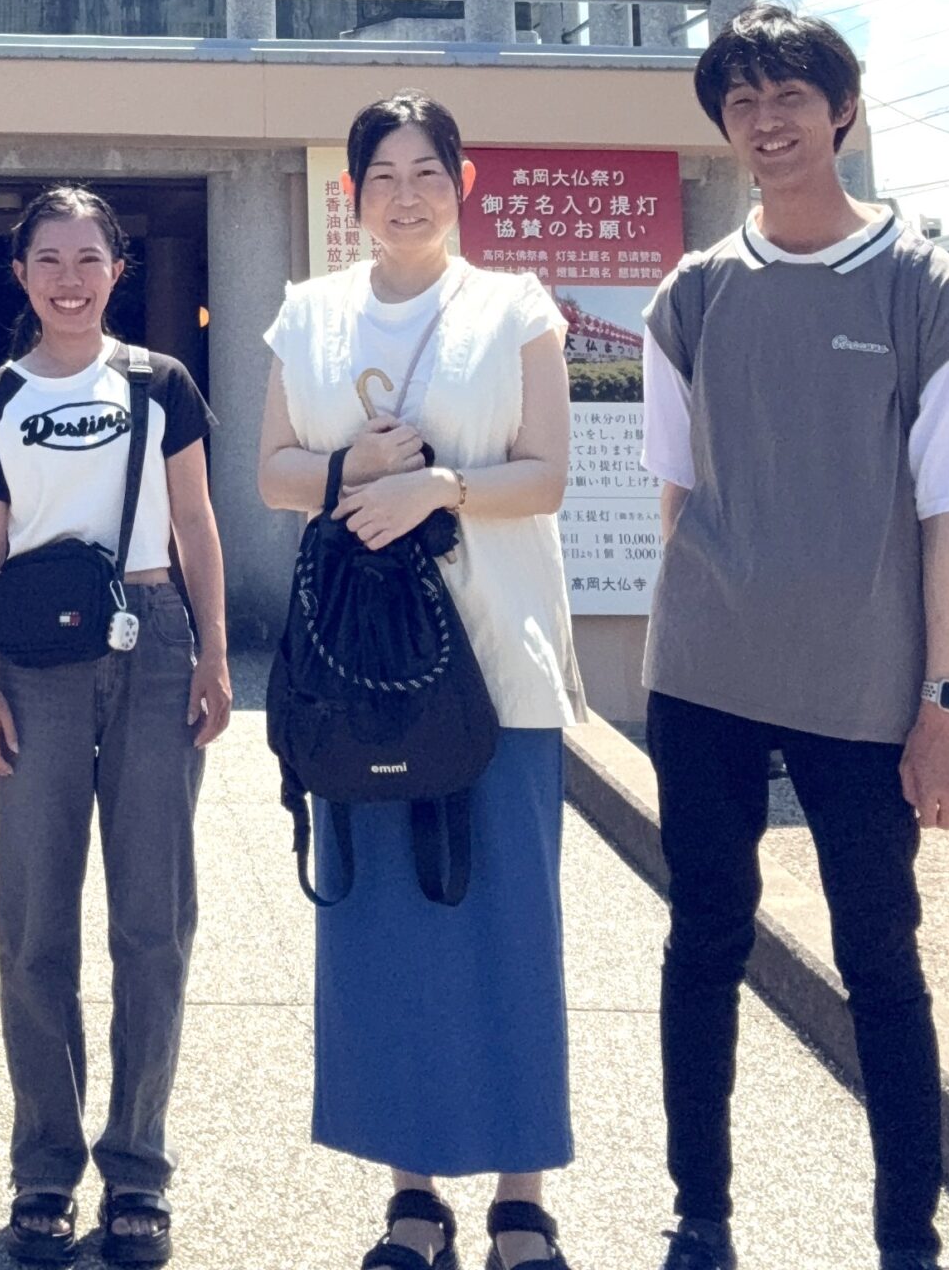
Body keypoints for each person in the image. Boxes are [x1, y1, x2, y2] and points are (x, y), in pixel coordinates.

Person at [644, 8, 949, 1270]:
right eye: (742, 101)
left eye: (791, 94)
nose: (767, 120)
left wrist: (944, 704)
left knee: (880, 957)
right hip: (705, 677)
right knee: (704, 937)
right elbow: (681, 498)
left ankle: (907, 1234)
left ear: (844, 108)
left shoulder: (931, 293)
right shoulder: (691, 293)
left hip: (862, 687)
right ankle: (701, 1214)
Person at [258, 91, 581, 1270]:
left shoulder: (516, 308)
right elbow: (273, 471)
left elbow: (545, 475)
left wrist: (440, 488)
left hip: (501, 663)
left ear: (463, 182)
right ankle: (413, 1197)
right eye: (383, 174)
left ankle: (521, 1199)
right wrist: (352, 466)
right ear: (352, 194)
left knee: (509, 926)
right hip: (360, 670)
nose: (405, 193)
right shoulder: (310, 313)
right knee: (384, 931)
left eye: (427, 171)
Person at [0, 185, 232, 1270]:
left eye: (89, 258)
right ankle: (44, 1164)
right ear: (20, 275)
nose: (69, 279)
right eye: (48, 260)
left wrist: (212, 652)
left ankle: (138, 1166)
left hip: (153, 639)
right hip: (31, 658)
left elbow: (196, 518)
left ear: (119, 269)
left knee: (153, 918)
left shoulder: (160, 383)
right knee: (34, 916)